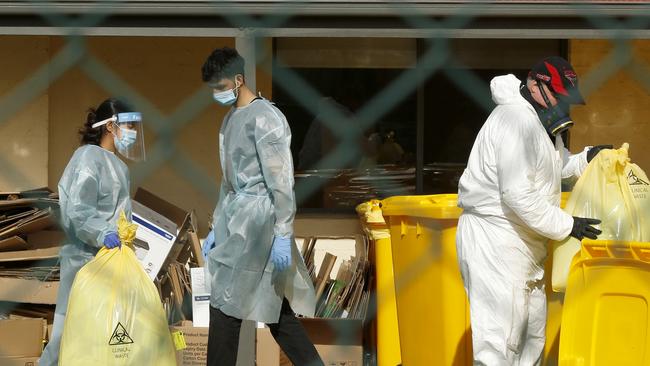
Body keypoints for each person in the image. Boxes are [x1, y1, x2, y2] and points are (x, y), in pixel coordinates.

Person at [456, 56, 609, 365]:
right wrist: (568, 225)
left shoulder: (539, 122)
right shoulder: (514, 121)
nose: (563, 105)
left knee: (531, 339)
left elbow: (554, 167)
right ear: (535, 85)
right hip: (495, 238)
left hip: (525, 244)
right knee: (500, 343)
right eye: (559, 96)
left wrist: (587, 158)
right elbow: (516, 193)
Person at [201, 47, 323, 366]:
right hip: (238, 220)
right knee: (273, 310)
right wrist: (217, 226)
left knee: (225, 304)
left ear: (239, 80)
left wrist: (283, 231)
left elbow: (281, 180)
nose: (216, 93)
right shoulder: (229, 121)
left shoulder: (265, 118)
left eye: (220, 86)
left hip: (259, 220)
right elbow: (228, 182)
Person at [39, 98, 145, 366]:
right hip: (84, 260)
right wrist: (101, 233)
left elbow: (120, 212)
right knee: (66, 334)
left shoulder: (120, 167)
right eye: (129, 126)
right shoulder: (87, 158)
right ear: (111, 126)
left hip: (110, 261)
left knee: (104, 337)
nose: (132, 132)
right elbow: (77, 210)